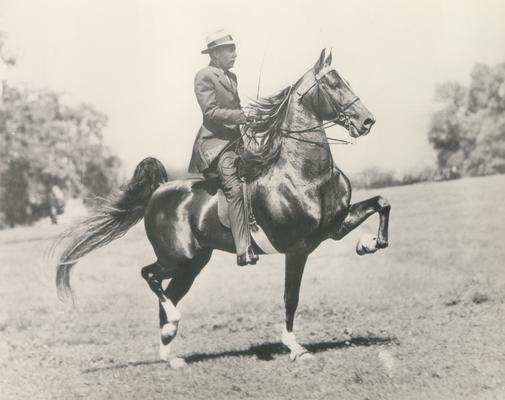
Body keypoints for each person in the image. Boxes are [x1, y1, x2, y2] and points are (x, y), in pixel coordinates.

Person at [188, 29, 259, 266]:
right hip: (214, 148)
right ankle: (242, 249)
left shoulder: (232, 77)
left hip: (235, 144)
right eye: (230, 50)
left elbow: (235, 116)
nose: (235, 54)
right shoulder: (204, 76)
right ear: (216, 53)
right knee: (235, 189)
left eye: (234, 49)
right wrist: (241, 116)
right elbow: (210, 113)